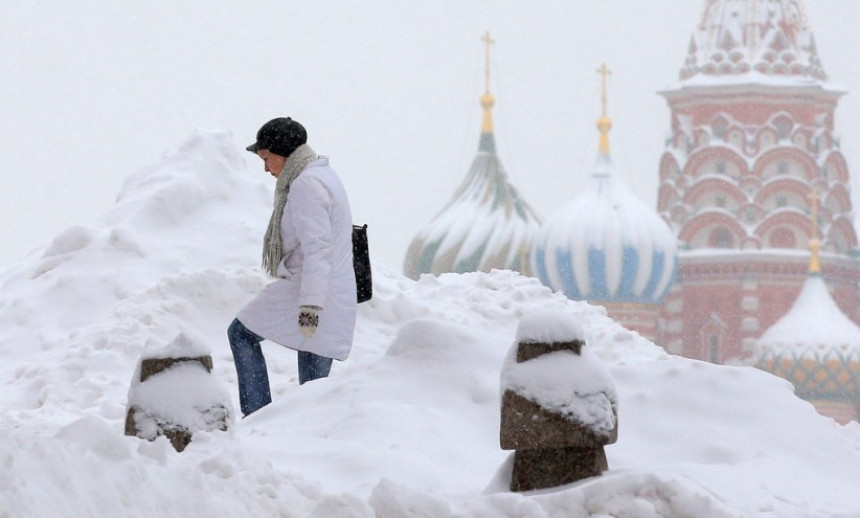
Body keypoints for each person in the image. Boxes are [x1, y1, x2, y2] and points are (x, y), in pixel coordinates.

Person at [227, 117, 357, 417]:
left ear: (281, 151)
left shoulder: (306, 185)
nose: (265, 168)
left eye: (266, 158)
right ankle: (291, 434)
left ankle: (258, 417)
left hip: (312, 292)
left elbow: (318, 251)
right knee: (312, 394)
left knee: (241, 334)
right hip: (324, 290)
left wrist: (311, 306)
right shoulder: (320, 176)